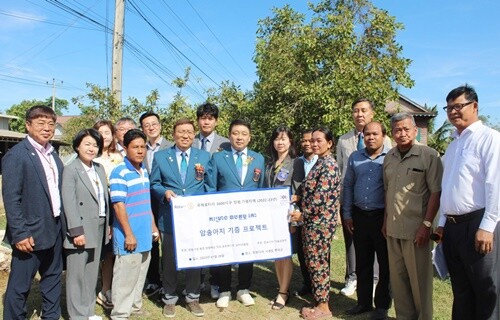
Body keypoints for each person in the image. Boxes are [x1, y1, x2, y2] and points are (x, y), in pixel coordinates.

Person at [437, 85, 500, 320]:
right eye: (449, 107)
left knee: (486, 290)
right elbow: (448, 187)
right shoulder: (453, 145)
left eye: (458, 106)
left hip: (479, 224)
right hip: (453, 227)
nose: (453, 111)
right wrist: (442, 223)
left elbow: (495, 183)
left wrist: (487, 226)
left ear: (474, 106)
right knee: (461, 290)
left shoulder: (490, 138)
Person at [2, 105, 64, 319]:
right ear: (28, 125)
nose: (47, 128)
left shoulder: (53, 154)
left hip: (54, 227)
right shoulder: (17, 155)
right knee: (20, 285)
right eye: (40, 123)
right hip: (30, 233)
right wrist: (19, 233)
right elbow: (11, 198)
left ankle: (51, 315)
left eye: (51, 124)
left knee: (53, 277)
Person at [383, 113, 442, 320]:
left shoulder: (429, 155)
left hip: (417, 230)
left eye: (406, 129)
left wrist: (426, 225)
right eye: (397, 130)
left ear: (415, 131)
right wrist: (385, 222)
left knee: (420, 284)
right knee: (399, 282)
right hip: (393, 229)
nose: (402, 133)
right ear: (392, 133)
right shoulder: (389, 157)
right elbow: (388, 191)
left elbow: (436, 192)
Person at [150, 119, 211, 318]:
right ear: (174, 134)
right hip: (169, 218)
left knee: (194, 258)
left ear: (194, 135)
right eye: (181, 132)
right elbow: (155, 184)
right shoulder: (160, 157)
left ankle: (193, 297)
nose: (185, 135)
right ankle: (169, 298)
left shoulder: (204, 156)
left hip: (196, 219)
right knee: (169, 260)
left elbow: (209, 186)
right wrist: (165, 192)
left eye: (189, 132)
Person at [336, 98, 392, 296]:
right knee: (355, 247)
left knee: (380, 253)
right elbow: (342, 175)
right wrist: (344, 208)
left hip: (379, 210)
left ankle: (377, 288)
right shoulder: (344, 141)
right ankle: (354, 281)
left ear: (372, 113)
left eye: (364, 110)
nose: (359, 114)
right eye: (356, 111)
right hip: (353, 204)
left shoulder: (388, 146)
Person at [208, 119, 265, 308]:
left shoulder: (258, 159)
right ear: (229, 135)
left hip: (249, 215)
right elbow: (211, 187)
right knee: (224, 252)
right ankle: (224, 290)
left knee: (246, 252)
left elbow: (262, 187)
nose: (239, 137)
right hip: (224, 215)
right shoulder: (218, 158)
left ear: (249, 137)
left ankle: (243, 289)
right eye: (235, 133)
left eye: (243, 134)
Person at [291, 126, 341, 320]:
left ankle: (323, 308)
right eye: (312, 140)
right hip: (313, 224)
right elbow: (307, 187)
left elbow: (319, 199)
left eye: (319, 140)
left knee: (318, 264)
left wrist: (302, 215)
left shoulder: (328, 165)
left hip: (319, 225)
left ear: (329, 143)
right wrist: (296, 196)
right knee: (314, 263)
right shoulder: (319, 163)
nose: (314, 144)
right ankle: (319, 300)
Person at [109, 129, 160, 319]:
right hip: (128, 235)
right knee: (125, 277)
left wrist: (153, 226)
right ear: (125, 148)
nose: (139, 151)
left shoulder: (143, 171)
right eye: (135, 147)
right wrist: (129, 234)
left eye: (142, 147)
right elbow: (119, 205)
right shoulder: (119, 172)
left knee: (140, 275)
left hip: (145, 232)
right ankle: (120, 313)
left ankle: (135, 307)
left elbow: (146, 202)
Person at [342, 122, 391, 320]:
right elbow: (348, 186)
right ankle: (363, 302)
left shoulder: (391, 158)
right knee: (363, 262)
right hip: (359, 216)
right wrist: (347, 214)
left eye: (375, 134)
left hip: (382, 218)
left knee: (385, 264)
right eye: (367, 134)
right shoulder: (355, 157)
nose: (370, 137)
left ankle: (382, 306)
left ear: (383, 136)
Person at [62, 128, 110, 320]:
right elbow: (69, 202)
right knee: (76, 276)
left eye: (95, 145)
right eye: (87, 144)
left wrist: (107, 224)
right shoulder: (71, 169)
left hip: (98, 225)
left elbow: (103, 199)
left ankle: (88, 311)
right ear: (77, 145)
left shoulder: (98, 168)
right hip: (80, 228)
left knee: (91, 272)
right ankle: (77, 315)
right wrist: (76, 231)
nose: (91, 148)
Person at [193, 102, 231, 299]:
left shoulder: (225, 143)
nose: (206, 122)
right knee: (197, 240)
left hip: (217, 199)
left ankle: (215, 281)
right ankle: (197, 280)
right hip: (195, 199)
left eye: (210, 118)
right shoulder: (189, 141)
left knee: (217, 242)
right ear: (198, 120)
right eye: (203, 118)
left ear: (216, 121)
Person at [264, 126, 303, 310]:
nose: (280, 142)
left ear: (290, 142)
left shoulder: (296, 163)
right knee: (277, 255)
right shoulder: (270, 164)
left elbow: (299, 193)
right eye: (277, 139)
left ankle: (284, 292)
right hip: (271, 217)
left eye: (284, 139)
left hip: (288, 217)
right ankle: (281, 288)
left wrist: (294, 220)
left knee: (285, 255)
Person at [139, 111, 173, 297]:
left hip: (167, 198)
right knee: (151, 240)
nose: (151, 127)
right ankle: (153, 279)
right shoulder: (140, 147)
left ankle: (172, 277)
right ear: (143, 129)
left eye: (154, 123)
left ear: (160, 125)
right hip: (146, 199)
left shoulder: (171, 146)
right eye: (146, 125)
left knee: (169, 239)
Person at [93, 119, 123, 310]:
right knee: (97, 251)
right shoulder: (88, 154)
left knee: (112, 251)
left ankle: (108, 289)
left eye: (107, 132)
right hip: (96, 209)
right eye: (100, 132)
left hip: (116, 207)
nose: (104, 136)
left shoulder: (119, 156)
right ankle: (95, 289)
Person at [292, 130, 317, 297]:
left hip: (316, 212)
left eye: (311, 140)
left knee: (315, 251)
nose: (307, 143)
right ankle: (307, 283)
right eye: (304, 140)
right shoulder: (296, 162)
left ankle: (318, 286)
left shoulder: (322, 162)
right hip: (299, 210)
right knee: (302, 251)